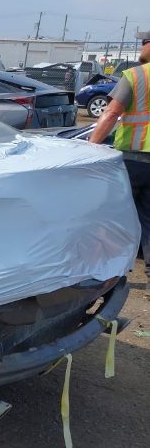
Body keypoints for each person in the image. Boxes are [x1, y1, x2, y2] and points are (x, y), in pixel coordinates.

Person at [90, 31, 150, 288]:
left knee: (109, 215)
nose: (141, 47)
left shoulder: (136, 75)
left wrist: (91, 148)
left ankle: (98, 275)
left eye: (144, 43)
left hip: (134, 160)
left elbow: (112, 112)